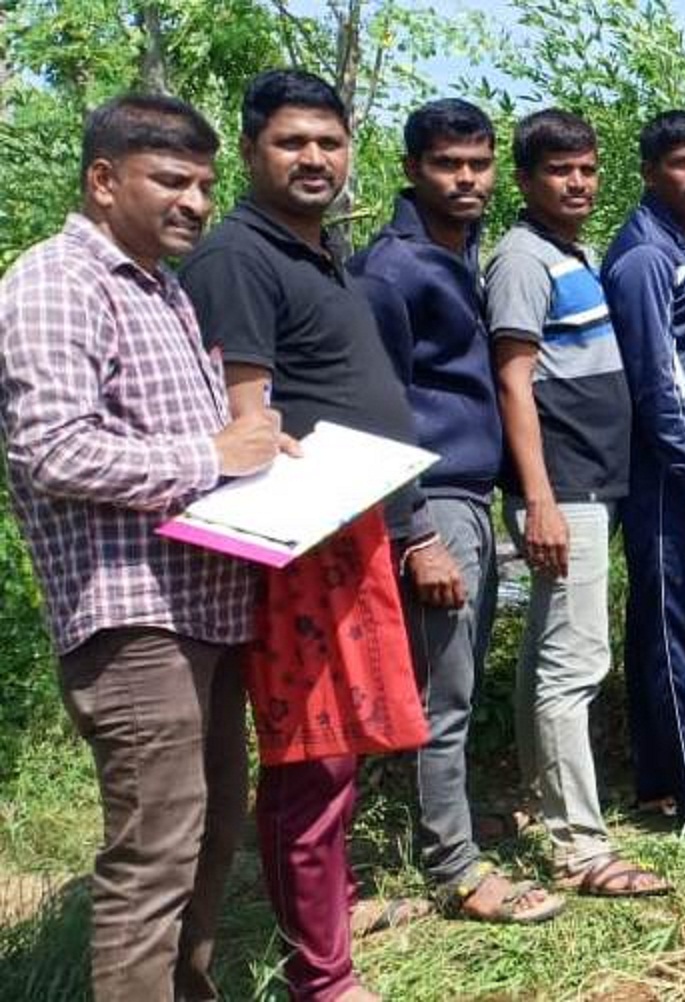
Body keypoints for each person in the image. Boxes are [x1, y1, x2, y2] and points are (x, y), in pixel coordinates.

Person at [0, 93, 281, 1002]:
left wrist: (259, 453)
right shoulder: (56, 283)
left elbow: (186, 444)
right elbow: (51, 449)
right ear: (102, 179)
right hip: (130, 620)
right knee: (154, 858)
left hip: (201, 606)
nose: (196, 201)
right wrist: (211, 451)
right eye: (171, 180)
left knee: (206, 841)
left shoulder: (159, 287)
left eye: (205, 184)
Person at [179, 69, 439, 1002]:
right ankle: (322, 981)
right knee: (309, 754)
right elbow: (247, 422)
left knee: (342, 752)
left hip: (351, 528)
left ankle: (330, 920)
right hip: (292, 547)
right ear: (250, 151)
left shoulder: (320, 252)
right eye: (292, 142)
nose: (314, 159)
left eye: (328, 142)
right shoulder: (236, 258)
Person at [349, 97, 560, 917]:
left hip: (470, 493)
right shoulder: (392, 271)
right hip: (432, 500)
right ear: (412, 169)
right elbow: (380, 407)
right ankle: (456, 868)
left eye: (477, 163)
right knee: (447, 691)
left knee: (453, 683)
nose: (466, 179)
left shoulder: (459, 253)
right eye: (447, 164)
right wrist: (417, 534)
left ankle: (441, 835)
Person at [486, 108, 670, 894]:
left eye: (588, 170)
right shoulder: (522, 261)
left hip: (592, 481)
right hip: (566, 486)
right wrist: (542, 497)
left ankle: (538, 797)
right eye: (561, 171)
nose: (579, 184)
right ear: (526, 180)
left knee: (548, 655)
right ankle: (581, 847)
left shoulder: (573, 254)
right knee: (576, 663)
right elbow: (512, 379)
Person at [604, 109, 685, 842]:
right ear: (651, 171)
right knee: (671, 632)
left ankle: (657, 777)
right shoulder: (645, 258)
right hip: (665, 474)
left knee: (664, 625)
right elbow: (658, 384)